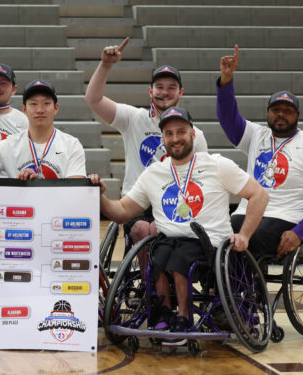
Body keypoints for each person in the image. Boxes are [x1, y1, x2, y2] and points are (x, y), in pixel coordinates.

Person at [90, 107, 268, 335]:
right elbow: (123, 210)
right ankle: (164, 312)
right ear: (163, 138)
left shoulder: (217, 165)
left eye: (181, 132)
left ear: (193, 134)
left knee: (179, 253)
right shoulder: (154, 173)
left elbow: (259, 195)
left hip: (210, 244)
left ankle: (184, 316)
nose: (176, 138)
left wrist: (244, 235)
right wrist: (100, 196)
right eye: (169, 133)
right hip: (169, 241)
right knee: (157, 251)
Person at [216, 45, 303, 259]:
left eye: (287, 111)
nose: (281, 114)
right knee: (217, 233)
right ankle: (221, 290)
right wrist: (226, 81)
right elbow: (228, 118)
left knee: (249, 238)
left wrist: (301, 233)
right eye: (276, 110)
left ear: (297, 115)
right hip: (248, 213)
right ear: (268, 113)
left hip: (287, 219)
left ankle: (241, 290)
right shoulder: (257, 136)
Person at [85, 37, 210, 242]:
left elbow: (203, 178)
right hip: (137, 202)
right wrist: (106, 64)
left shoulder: (195, 135)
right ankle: (148, 276)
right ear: (150, 91)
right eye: (160, 87)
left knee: (164, 231)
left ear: (181, 92)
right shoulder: (134, 118)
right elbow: (93, 100)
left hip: (176, 201)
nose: (165, 92)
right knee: (144, 230)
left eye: (171, 87)